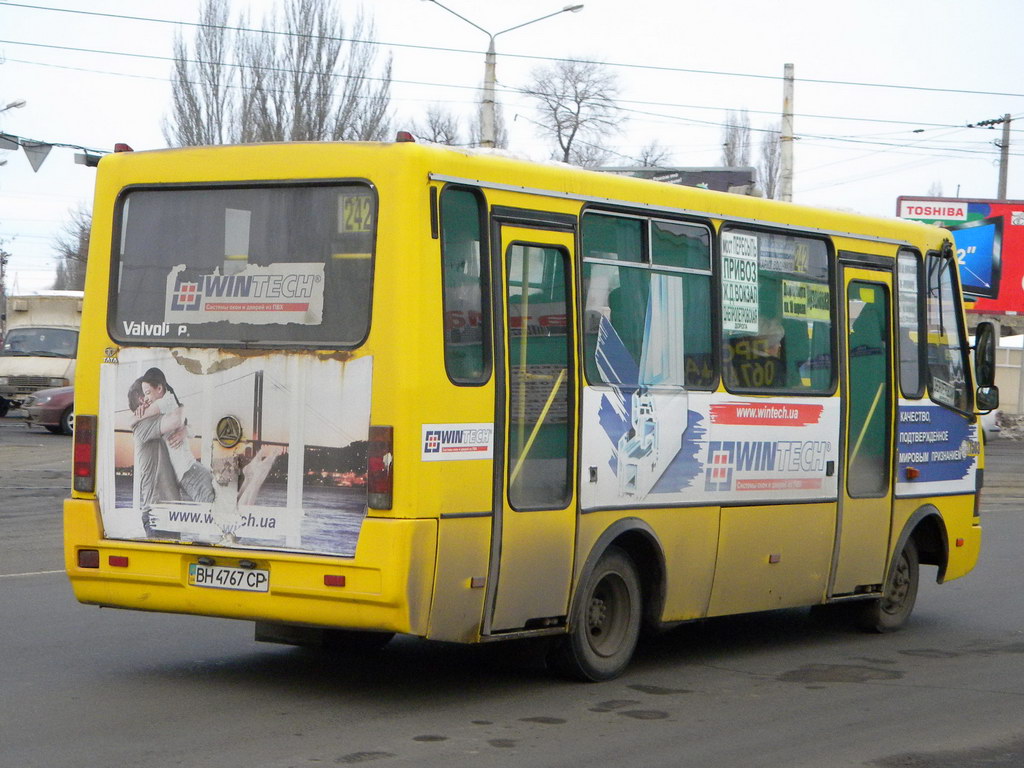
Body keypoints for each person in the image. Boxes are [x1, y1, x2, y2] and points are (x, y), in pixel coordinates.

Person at [131, 367, 215, 505]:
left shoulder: (164, 401)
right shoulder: (170, 404)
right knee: (220, 507)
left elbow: (131, 420)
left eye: (147, 393)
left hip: (188, 473)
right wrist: (185, 431)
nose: (146, 398)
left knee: (213, 513)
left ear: (159, 388)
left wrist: (139, 411)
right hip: (191, 469)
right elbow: (192, 429)